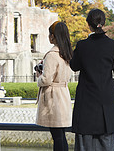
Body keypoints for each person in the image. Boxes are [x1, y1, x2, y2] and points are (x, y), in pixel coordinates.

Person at [70, 9, 114, 151]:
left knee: (84, 141)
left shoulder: (82, 45)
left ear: (89, 25)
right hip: (106, 97)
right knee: (106, 140)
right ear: (103, 23)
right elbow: (112, 66)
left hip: (86, 98)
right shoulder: (113, 45)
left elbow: (74, 66)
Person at [36, 21, 73, 151]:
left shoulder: (52, 55)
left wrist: (38, 77)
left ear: (53, 36)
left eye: (50, 34)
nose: (48, 36)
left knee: (57, 136)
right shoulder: (66, 53)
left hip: (53, 97)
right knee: (61, 135)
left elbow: (46, 79)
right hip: (63, 93)